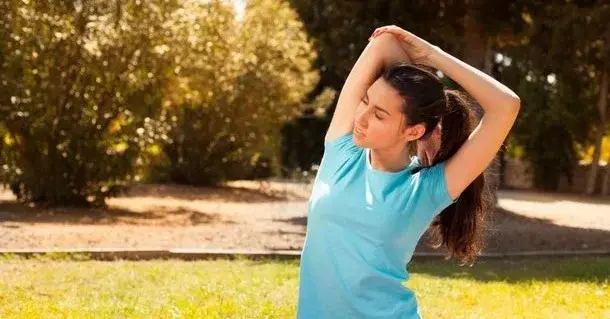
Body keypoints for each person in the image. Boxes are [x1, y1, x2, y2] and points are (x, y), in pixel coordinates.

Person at [296, 25, 520, 318]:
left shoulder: (425, 189)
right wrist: (418, 80)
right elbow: (384, 43)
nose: (361, 118)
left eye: (379, 114)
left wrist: (435, 56)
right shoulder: (342, 149)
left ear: (413, 130)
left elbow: (506, 105)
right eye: (365, 100)